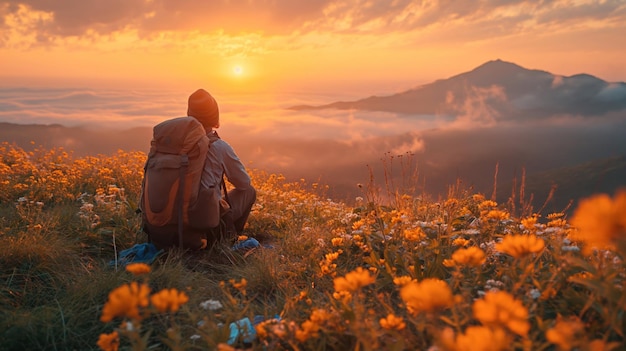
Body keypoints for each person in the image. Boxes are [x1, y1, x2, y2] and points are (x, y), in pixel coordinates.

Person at [186, 88, 256, 240]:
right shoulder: (219, 147)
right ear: (214, 115)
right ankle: (228, 238)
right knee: (249, 191)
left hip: (169, 220)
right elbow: (244, 183)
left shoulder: (176, 144)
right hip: (204, 224)